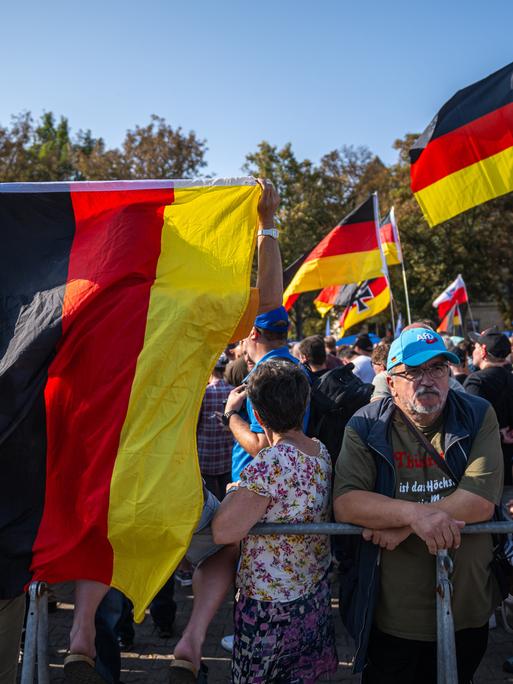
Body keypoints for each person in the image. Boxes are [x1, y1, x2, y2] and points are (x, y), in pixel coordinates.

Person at [63, 179, 284, 684]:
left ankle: (79, 634)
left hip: (105, 489)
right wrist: (265, 223)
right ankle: (189, 643)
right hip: (174, 491)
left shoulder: (86, 309)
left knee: (103, 543)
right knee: (223, 547)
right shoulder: (197, 310)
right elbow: (271, 303)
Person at [333, 327, 504, 683]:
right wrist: (412, 516)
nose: (429, 380)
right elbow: (348, 503)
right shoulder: (365, 424)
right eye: (415, 371)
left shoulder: (476, 414)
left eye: (438, 368)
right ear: (391, 381)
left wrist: (397, 526)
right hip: (392, 617)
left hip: (467, 609)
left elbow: (479, 501)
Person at [212, 360, 338, 683]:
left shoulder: (272, 463)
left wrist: (234, 492)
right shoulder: (319, 452)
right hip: (311, 597)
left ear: (258, 413)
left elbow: (223, 529)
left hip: (271, 608)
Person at [464, 326, 513, 485]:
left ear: (483, 351)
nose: (473, 351)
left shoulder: (476, 382)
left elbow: (472, 423)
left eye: (476, 347)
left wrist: (499, 435)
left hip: (485, 467)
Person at [196, 353, 233, 501]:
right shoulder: (233, 391)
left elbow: (196, 423)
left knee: (210, 497)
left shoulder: (204, 393)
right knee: (227, 494)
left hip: (206, 453)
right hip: (227, 453)